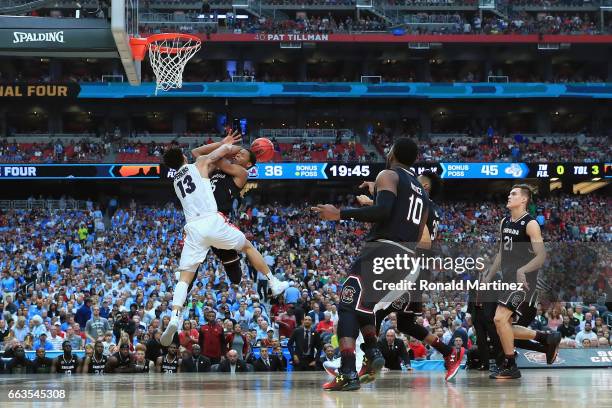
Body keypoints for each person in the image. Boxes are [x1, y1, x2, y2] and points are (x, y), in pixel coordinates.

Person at [312, 138, 460, 390]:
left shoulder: (388, 174)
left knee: (347, 306)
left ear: (391, 152)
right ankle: (371, 352)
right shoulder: (423, 194)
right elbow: (408, 227)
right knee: (366, 309)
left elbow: (382, 212)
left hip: (382, 251)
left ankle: (348, 371)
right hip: (406, 258)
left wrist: (339, 214)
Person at [160, 141, 288, 346]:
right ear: (184, 158)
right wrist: (230, 144)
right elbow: (208, 154)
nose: (239, 155)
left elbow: (206, 155)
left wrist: (227, 145)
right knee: (247, 246)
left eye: (243, 154)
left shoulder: (179, 179)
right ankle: (273, 281)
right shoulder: (202, 164)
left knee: (187, 278)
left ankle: (175, 315)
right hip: (214, 221)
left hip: (194, 227)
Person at [483, 184, 561, 379]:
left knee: (499, 319)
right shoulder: (504, 222)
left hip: (523, 281)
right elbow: (501, 252)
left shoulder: (530, 223)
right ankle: (546, 338)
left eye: (513, 194)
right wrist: (489, 275)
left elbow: (541, 255)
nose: (509, 196)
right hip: (507, 279)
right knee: (504, 325)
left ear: (524, 200)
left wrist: (523, 270)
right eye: (509, 193)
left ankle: (511, 365)